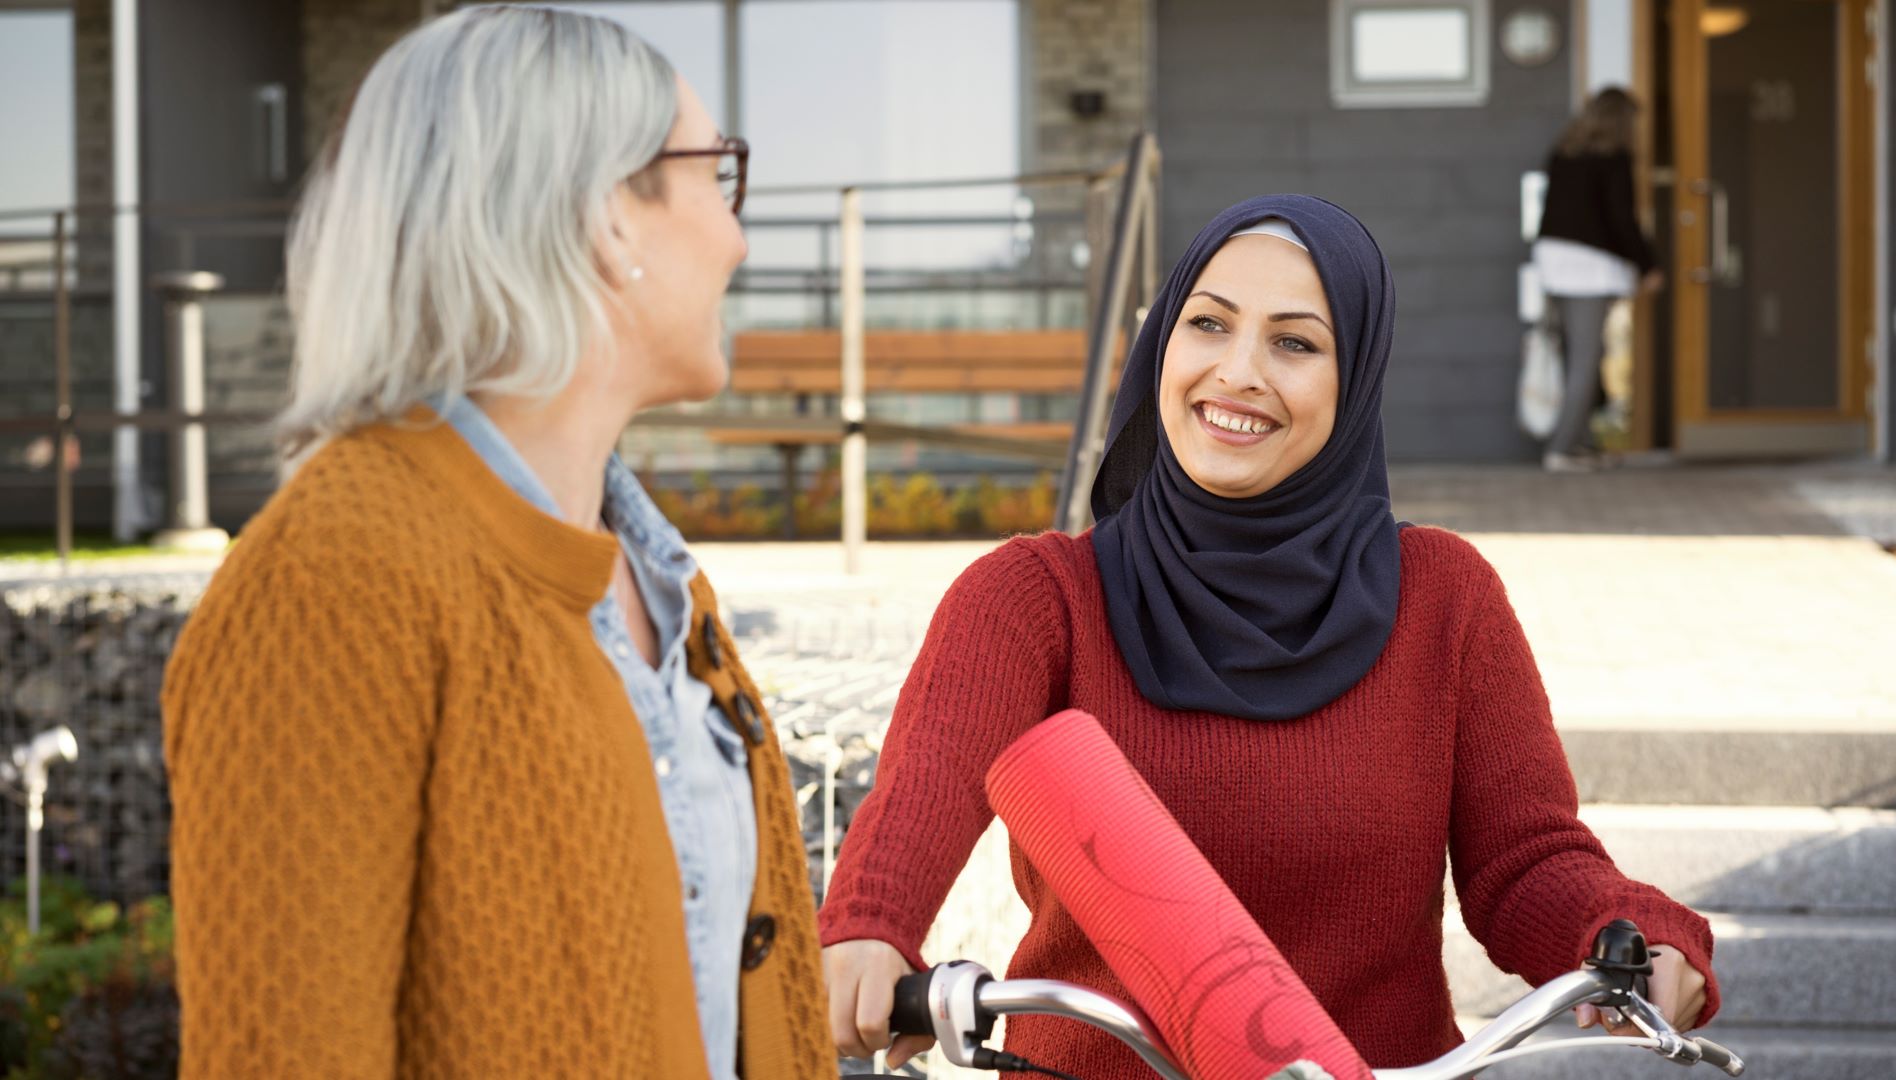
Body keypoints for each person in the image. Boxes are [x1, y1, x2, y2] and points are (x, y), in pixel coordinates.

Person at [818, 195, 1717, 1075]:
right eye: (1208, 325)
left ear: (1355, 378)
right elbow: (920, 790)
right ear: (1162, 342)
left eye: (1294, 342)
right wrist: (869, 926)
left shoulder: (1448, 600)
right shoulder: (1035, 597)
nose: (1239, 371)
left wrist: (1626, 931)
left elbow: (1525, 860)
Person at [161, 7, 834, 1077]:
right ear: (608, 215)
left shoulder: (662, 586)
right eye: (716, 173)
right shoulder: (331, 582)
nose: (738, 235)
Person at [1534, 86, 1664, 472]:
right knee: (1587, 359)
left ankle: (1580, 445)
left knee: (1580, 354)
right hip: (1589, 267)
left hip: (1554, 259)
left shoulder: (1565, 150)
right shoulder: (1614, 157)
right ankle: (1560, 449)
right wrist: (1648, 264)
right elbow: (1621, 219)